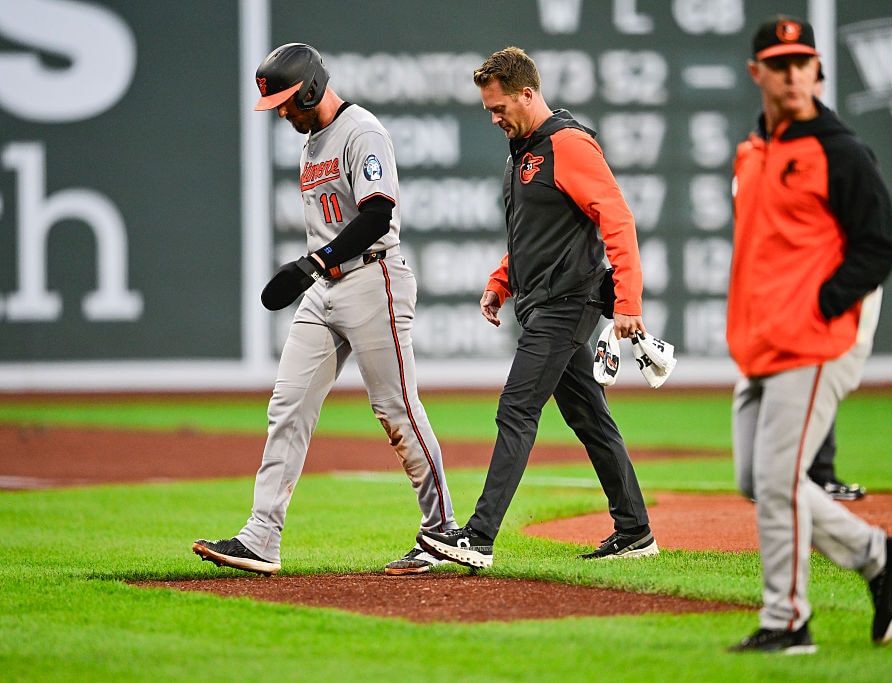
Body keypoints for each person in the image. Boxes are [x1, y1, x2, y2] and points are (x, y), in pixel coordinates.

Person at [193, 43, 458, 577]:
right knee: (287, 405)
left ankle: (442, 532)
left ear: (312, 88)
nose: (284, 113)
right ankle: (262, 536)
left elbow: (378, 215)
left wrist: (312, 263)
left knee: (395, 407)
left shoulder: (362, 132)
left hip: (374, 277)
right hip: (327, 287)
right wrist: (317, 269)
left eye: (289, 102)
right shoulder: (313, 141)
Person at [417, 46, 658, 569]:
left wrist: (630, 302)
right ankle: (635, 530)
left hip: (568, 303)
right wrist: (501, 281)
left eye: (499, 107)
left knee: (517, 408)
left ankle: (477, 538)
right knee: (589, 416)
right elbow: (536, 233)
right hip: (543, 300)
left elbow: (617, 218)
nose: (494, 117)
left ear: (528, 93)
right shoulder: (524, 151)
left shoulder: (568, 145)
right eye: (488, 110)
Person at [726, 17, 892, 653]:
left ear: (817, 71)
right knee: (757, 479)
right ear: (757, 72)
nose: (791, 74)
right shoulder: (754, 151)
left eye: (801, 62)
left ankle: (787, 622)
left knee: (779, 481)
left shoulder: (840, 151)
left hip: (813, 341)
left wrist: (822, 306)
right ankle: (877, 555)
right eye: (778, 63)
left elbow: (880, 245)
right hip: (763, 342)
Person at [806, 64, 867, 502]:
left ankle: (817, 471)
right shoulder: (764, 149)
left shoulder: (842, 148)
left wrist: (832, 296)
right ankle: (806, 471)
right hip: (802, 283)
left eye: (807, 73)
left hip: (838, 278)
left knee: (827, 373)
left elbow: (875, 240)